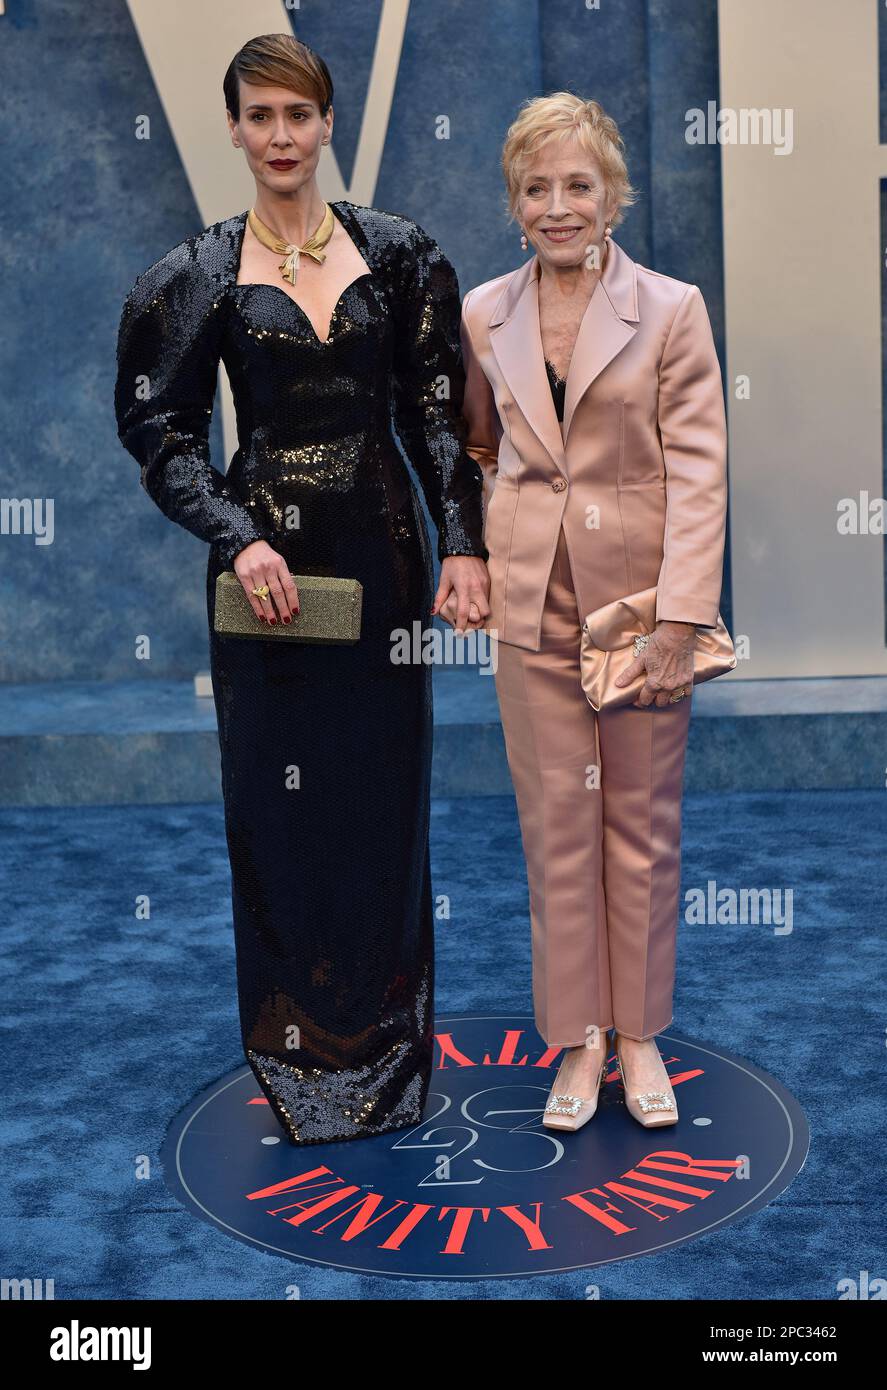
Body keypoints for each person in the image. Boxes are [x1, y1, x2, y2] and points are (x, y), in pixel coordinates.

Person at [114, 33, 490, 1144]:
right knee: (278, 814)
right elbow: (160, 430)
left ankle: (387, 1047)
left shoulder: (402, 252)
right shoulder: (195, 275)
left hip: (381, 563)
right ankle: (299, 1056)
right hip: (264, 580)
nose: (281, 136)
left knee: (381, 805)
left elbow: (435, 416)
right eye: (260, 116)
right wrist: (236, 536)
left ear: (327, 124)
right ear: (234, 129)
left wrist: (460, 544)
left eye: (300, 115)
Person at [459, 93, 728, 1131]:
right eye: (536, 188)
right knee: (556, 832)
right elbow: (481, 447)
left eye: (577, 185)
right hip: (532, 610)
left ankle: (641, 1031)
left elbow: (699, 471)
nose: (557, 205)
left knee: (641, 828)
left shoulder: (671, 309)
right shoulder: (485, 312)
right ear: (513, 202)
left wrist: (678, 617)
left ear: (610, 194)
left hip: (639, 610)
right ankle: (576, 1039)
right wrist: (498, 540)